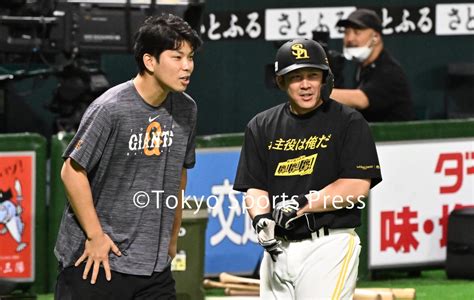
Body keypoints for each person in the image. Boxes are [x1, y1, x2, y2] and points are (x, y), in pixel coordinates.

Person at [54, 13, 202, 299]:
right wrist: (96, 237)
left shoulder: (187, 109)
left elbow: (178, 177)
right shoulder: (110, 108)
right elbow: (71, 172)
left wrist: (171, 238)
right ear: (149, 61)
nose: (187, 67)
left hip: (153, 268)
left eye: (190, 57)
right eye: (177, 57)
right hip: (97, 261)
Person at [234, 38, 382, 299]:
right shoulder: (261, 125)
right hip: (278, 248)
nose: (305, 85)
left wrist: (301, 204)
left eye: (313, 75)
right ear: (281, 81)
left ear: (324, 79)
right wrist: (260, 220)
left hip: (328, 244)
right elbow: (255, 186)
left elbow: (356, 186)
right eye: (296, 77)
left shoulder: (349, 122)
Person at [331, 9, 414, 122]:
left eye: (357, 32)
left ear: (375, 37)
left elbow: (361, 100)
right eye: (346, 32)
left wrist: (316, 92)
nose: (349, 39)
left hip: (396, 138)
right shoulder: (362, 67)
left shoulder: (389, 70)